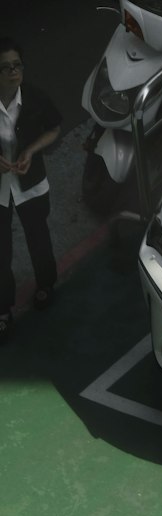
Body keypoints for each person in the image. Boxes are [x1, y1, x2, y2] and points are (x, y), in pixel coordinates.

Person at [0, 37, 61, 342]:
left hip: (30, 183)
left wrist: (31, 151)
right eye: (6, 67)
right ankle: (2, 310)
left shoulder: (35, 98)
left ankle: (45, 286)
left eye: (17, 65)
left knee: (38, 237)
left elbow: (54, 128)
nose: (14, 72)